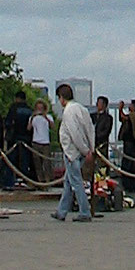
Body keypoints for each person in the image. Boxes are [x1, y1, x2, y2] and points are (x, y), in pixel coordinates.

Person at [52, 83, 95, 221]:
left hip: (72, 152)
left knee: (76, 182)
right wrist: (90, 149)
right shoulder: (82, 109)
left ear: (62, 98)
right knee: (69, 182)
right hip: (82, 151)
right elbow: (90, 129)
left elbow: (73, 133)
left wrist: (82, 149)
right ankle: (61, 211)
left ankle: (85, 211)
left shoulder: (68, 112)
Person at [29, 99, 54, 186]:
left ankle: (48, 180)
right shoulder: (33, 118)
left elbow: (52, 126)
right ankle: (40, 180)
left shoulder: (49, 117)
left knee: (47, 162)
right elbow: (29, 128)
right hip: (36, 142)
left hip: (45, 142)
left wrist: (45, 116)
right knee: (37, 163)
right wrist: (33, 116)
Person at [91, 95, 113, 169]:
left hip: (101, 145)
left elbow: (106, 132)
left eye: (99, 102)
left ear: (104, 105)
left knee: (102, 165)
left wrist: (96, 137)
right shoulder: (92, 116)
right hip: (91, 146)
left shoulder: (108, 118)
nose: (97, 104)